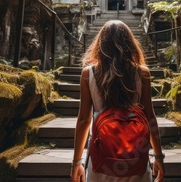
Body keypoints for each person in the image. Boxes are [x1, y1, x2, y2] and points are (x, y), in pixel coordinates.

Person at [71, 20, 165, 182]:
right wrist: (158, 157)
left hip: (102, 159)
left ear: (101, 44)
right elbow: (150, 117)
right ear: (130, 44)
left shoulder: (88, 74)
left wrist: (76, 162)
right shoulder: (142, 73)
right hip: (135, 156)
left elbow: (84, 120)